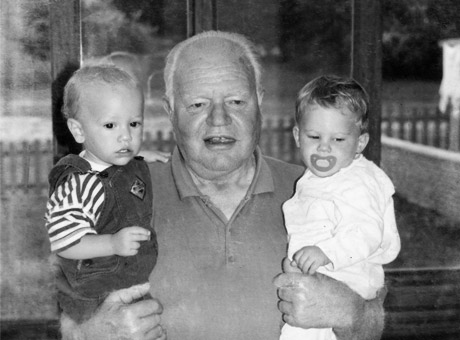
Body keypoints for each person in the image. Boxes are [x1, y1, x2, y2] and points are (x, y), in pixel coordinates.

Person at [60, 31, 387, 340]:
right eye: (198, 104)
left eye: (236, 102)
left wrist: (350, 312)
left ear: (258, 102)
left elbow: (373, 321)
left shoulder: (322, 190)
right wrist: (93, 333)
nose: (219, 119)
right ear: (171, 111)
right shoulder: (110, 196)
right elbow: (66, 321)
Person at [279, 75, 401, 340]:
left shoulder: (358, 181)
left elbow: (368, 232)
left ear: (360, 143)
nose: (324, 148)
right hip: (321, 281)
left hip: (347, 282)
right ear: (298, 136)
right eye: (314, 136)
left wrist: (326, 252)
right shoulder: (320, 177)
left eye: (338, 140)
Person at [45, 65, 164, 323]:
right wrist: (111, 243)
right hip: (92, 298)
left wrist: (141, 158)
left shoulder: (120, 162)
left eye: (134, 123)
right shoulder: (81, 184)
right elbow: (63, 241)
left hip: (125, 285)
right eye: (110, 125)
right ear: (78, 131)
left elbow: (124, 163)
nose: (125, 136)